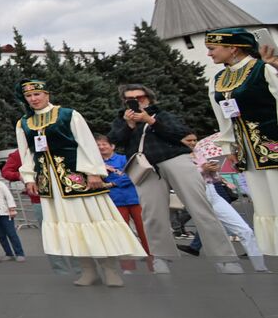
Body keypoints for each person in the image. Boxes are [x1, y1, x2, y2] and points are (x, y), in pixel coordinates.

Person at [17, 80, 144, 287]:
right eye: (29, 96)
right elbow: (26, 152)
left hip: (78, 178)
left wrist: (94, 172)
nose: (34, 99)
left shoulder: (67, 114)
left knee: (93, 222)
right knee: (70, 227)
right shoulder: (23, 123)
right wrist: (29, 178)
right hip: (51, 184)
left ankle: (110, 270)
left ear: (47, 94)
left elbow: (86, 142)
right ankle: (88, 270)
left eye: (37, 94)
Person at [107, 83, 242, 274]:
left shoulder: (161, 114)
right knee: (153, 215)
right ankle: (162, 257)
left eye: (141, 98)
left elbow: (181, 134)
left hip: (176, 160)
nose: (136, 102)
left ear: (149, 98)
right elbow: (116, 140)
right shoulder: (122, 120)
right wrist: (129, 125)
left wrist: (150, 121)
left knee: (200, 208)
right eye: (130, 100)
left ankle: (225, 258)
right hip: (146, 168)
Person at [205, 27, 278, 256]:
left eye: (212, 48)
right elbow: (223, 115)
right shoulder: (217, 79)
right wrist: (229, 146)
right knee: (264, 200)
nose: (209, 54)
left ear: (233, 47)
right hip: (247, 150)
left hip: (272, 143)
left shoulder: (262, 69)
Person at [179, 132, 268, 271]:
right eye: (188, 140)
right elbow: (182, 178)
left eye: (195, 140)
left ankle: (260, 266)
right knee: (212, 234)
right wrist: (202, 169)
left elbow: (214, 179)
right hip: (195, 195)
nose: (192, 143)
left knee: (244, 230)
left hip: (211, 191)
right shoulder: (176, 157)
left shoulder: (199, 152)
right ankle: (223, 266)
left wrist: (214, 171)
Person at [99, 135, 148, 272]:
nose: (101, 147)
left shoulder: (123, 158)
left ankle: (154, 262)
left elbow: (132, 174)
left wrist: (112, 183)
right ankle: (128, 267)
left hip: (134, 198)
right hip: (115, 201)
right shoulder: (96, 163)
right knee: (123, 234)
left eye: (104, 144)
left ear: (112, 146)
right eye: (98, 145)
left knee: (144, 231)